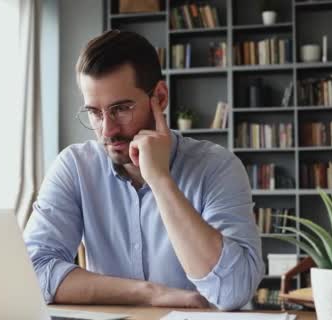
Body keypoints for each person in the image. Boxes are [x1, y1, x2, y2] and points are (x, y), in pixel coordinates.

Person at [23, 30, 263, 311]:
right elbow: (31, 273)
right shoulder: (75, 167)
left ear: (159, 98)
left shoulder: (217, 167)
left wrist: (160, 180)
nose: (108, 130)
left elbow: (233, 290)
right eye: (95, 113)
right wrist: (149, 294)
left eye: (121, 109)